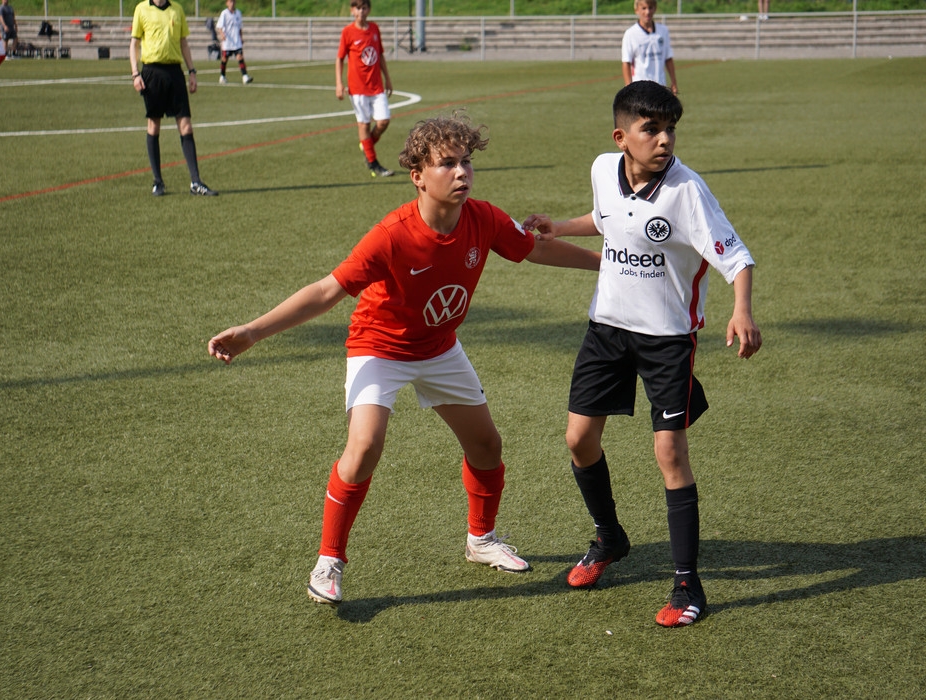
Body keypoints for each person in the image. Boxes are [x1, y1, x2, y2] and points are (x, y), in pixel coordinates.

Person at [208, 113, 602, 606]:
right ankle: (329, 561)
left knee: (486, 445)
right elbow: (328, 290)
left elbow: (536, 251)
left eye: (466, 162)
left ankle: (481, 540)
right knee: (365, 446)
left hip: (439, 347)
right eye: (446, 164)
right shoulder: (392, 234)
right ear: (417, 175)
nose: (461, 172)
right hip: (380, 347)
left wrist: (610, 263)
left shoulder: (484, 218)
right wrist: (252, 332)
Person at [523, 81, 761, 627]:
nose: (664, 140)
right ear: (621, 137)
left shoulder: (687, 191)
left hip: (667, 340)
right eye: (651, 129)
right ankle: (609, 537)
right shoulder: (602, 169)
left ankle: (688, 584)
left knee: (669, 452)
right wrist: (560, 226)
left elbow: (737, 257)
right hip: (606, 328)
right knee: (579, 439)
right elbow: (608, 218)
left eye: (670, 129)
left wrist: (742, 310)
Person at [130, 0, 217, 197]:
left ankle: (196, 182)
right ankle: (158, 182)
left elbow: (183, 43)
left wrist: (192, 71)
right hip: (152, 72)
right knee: (154, 125)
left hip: (175, 73)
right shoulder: (142, 9)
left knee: (186, 125)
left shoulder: (177, 10)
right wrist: (135, 74)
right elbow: (134, 43)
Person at [336, 0, 394, 179]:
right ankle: (373, 162)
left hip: (376, 86)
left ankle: (366, 145)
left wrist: (388, 79)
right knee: (364, 124)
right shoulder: (347, 31)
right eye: (357, 8)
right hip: (357, 87)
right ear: (352, 11)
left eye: (364, 8)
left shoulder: (374, 29)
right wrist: (339, 83)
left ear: (369, 10)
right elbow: (339, 58)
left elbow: (380, 54)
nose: (361, 11)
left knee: (384, 121)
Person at [621, 0, 678, 95]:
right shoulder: (630, 34)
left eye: (650, 8)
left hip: (660, 86)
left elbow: (668, 58)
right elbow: (626, 62)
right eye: (643, 8)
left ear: (655, 9)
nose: (647, 12)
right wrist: (628, 88)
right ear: (637, 10)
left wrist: (674, 82)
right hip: (640, 88)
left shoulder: (663, 31)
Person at [216, 0, 253, 85]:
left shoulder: (238, 13)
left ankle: (245, 76)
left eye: (233, 2)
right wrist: (222, 35)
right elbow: (219, 26)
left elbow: (240, 27)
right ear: (227, 3)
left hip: (236, 41)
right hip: (228, 41)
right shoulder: (224, 13)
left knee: (240, 57)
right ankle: (222, 76)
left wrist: (241, 38)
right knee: (224, 59)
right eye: (230, 2)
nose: (232, 3)